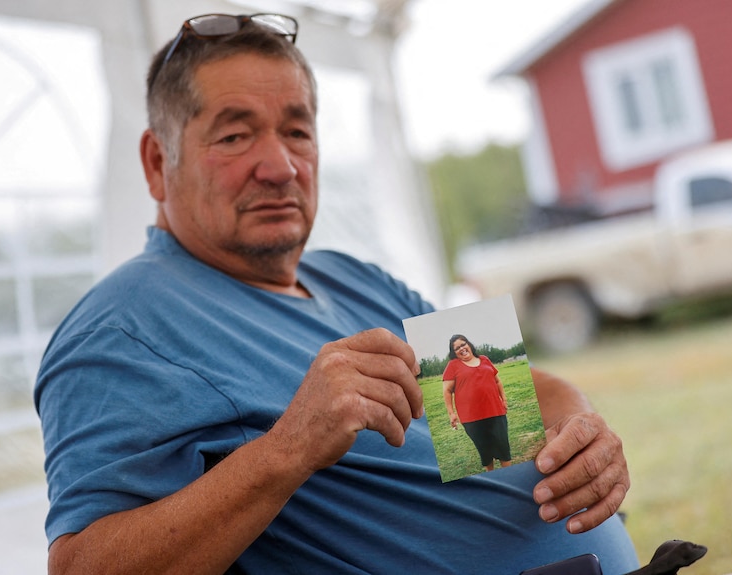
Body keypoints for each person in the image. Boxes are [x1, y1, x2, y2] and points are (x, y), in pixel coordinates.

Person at [35, 13, 639, 575]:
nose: (279, 166)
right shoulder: (120, 328)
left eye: (296, 131)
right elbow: (82, 565)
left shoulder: (356, 277)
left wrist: (581, 437)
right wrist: (289, 450)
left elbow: (521, 406)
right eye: (235, 136)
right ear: (155, 161)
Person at [443, 334, 512, 471]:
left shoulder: (484, 359)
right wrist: (451, 413)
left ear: (469, 344)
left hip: (495, 411)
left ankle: (510, 476)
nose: (461, 348)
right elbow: (447, 391)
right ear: (454, 353)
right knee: (485, 452)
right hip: (471, 418)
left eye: (463, 344)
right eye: (457, 348)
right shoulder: (453, 365)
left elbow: (497, 381)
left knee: (504, 449)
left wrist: (503, 399)